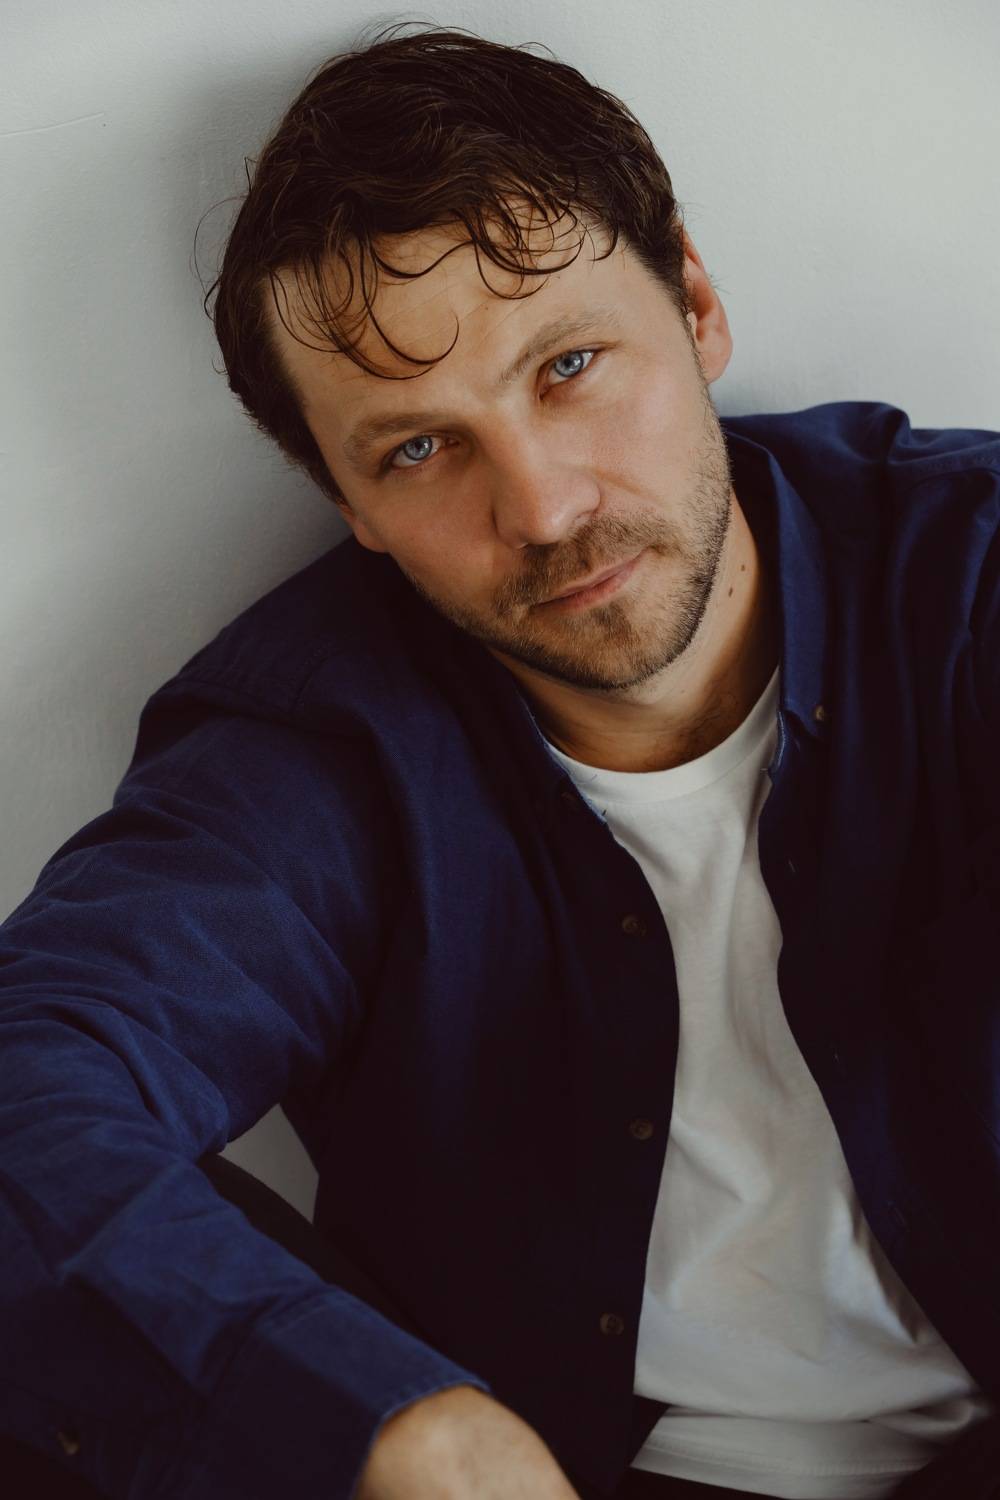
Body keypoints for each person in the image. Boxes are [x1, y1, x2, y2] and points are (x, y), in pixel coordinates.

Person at [2, 18, 999, 1500]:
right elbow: (35, 1075)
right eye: (418, 449)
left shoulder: (966, 584)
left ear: (697, 307)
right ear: (345, 500)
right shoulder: (319, 742)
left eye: (569, 365)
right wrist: (388, 1426)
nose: (540, 507)